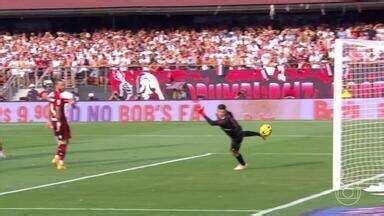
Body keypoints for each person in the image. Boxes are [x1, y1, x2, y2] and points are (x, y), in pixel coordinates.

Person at [197, 104, 265, 170]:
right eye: (220, 111)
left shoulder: (224, 121)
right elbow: (228, 114)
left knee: (234, 151)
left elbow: (212, 123)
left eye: (223, 112)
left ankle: (243, 164)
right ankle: (259, 134)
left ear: (225, 112)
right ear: (217, 111)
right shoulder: (227, 114)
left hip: (236, 138)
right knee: (243, 133)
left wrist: (202, 113)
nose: (221, 113)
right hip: (238, 131)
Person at [47, 80, 75, 170]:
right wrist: (59, 122)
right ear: (57, 86)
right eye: (61, 85)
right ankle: (60, 162)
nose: (64, 86)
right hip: (61, 121)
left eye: (64, 84)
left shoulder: (52, 95)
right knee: (64, 141)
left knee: (62, 140)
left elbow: (49, 107)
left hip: (54, 121)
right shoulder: (58, 96)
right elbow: (58, 109)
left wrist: (49, 120)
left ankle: (56, 157)